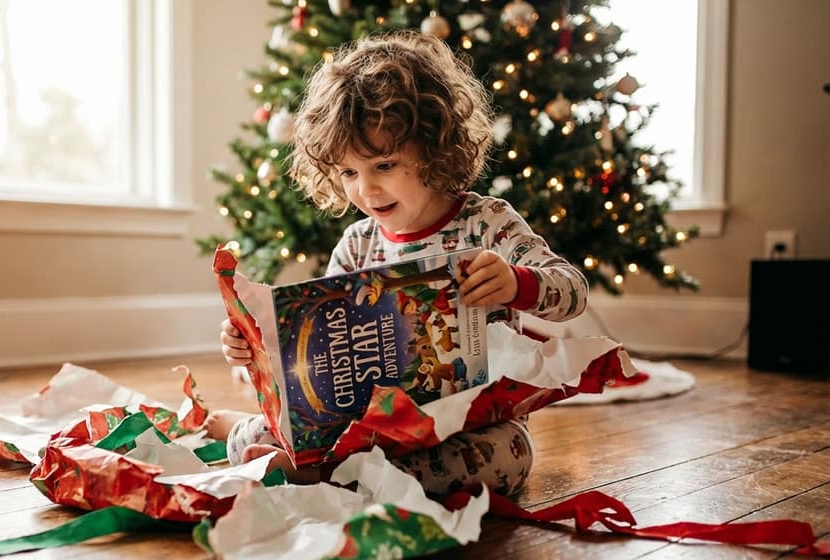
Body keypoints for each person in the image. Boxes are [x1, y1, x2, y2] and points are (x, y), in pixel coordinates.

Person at [205, 31, 588, 496]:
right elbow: (318, 353)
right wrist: (256, 346)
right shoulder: (356, 244)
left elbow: (572, 291)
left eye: (384, 165)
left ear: (435, 147)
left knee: (508, 457)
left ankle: (326, 478)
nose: (366, 190)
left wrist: (515, 283)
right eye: (348, 172)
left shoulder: (487, 223)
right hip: (369, 428)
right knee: (254, 437)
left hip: (469, 423)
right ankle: (313, 463)